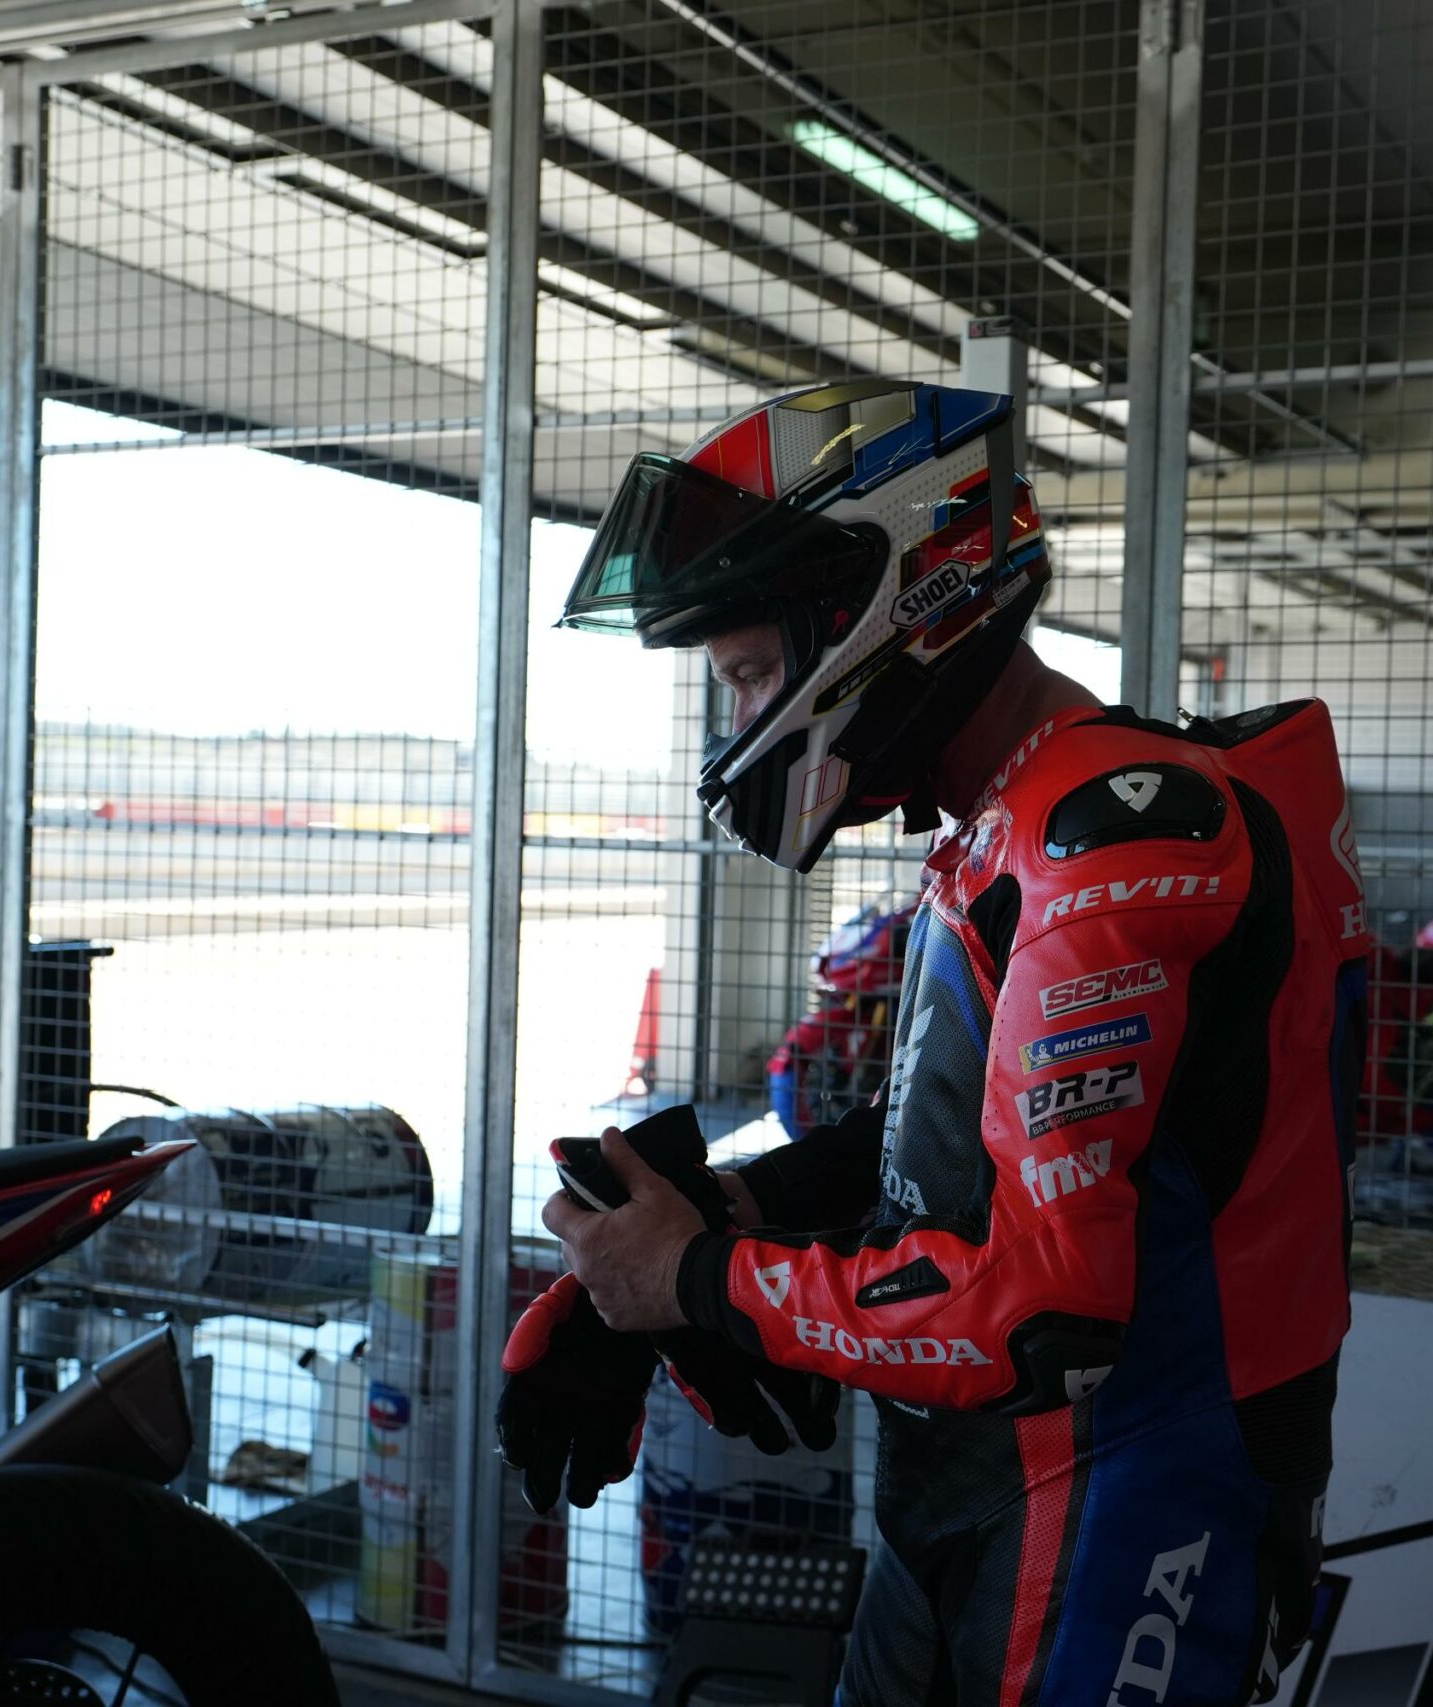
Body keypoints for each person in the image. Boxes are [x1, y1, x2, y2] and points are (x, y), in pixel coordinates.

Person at [516, 381, 1371, 1704]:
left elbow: (1042, 1314)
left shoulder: (1111, 833)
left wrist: (699, 1279)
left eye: (749, 676)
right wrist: (727, 1214)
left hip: (1133, 1488)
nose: (741, 725)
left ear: (893, 602)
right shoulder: (1014, 815)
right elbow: (971, 1139)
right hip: (977, 1482)